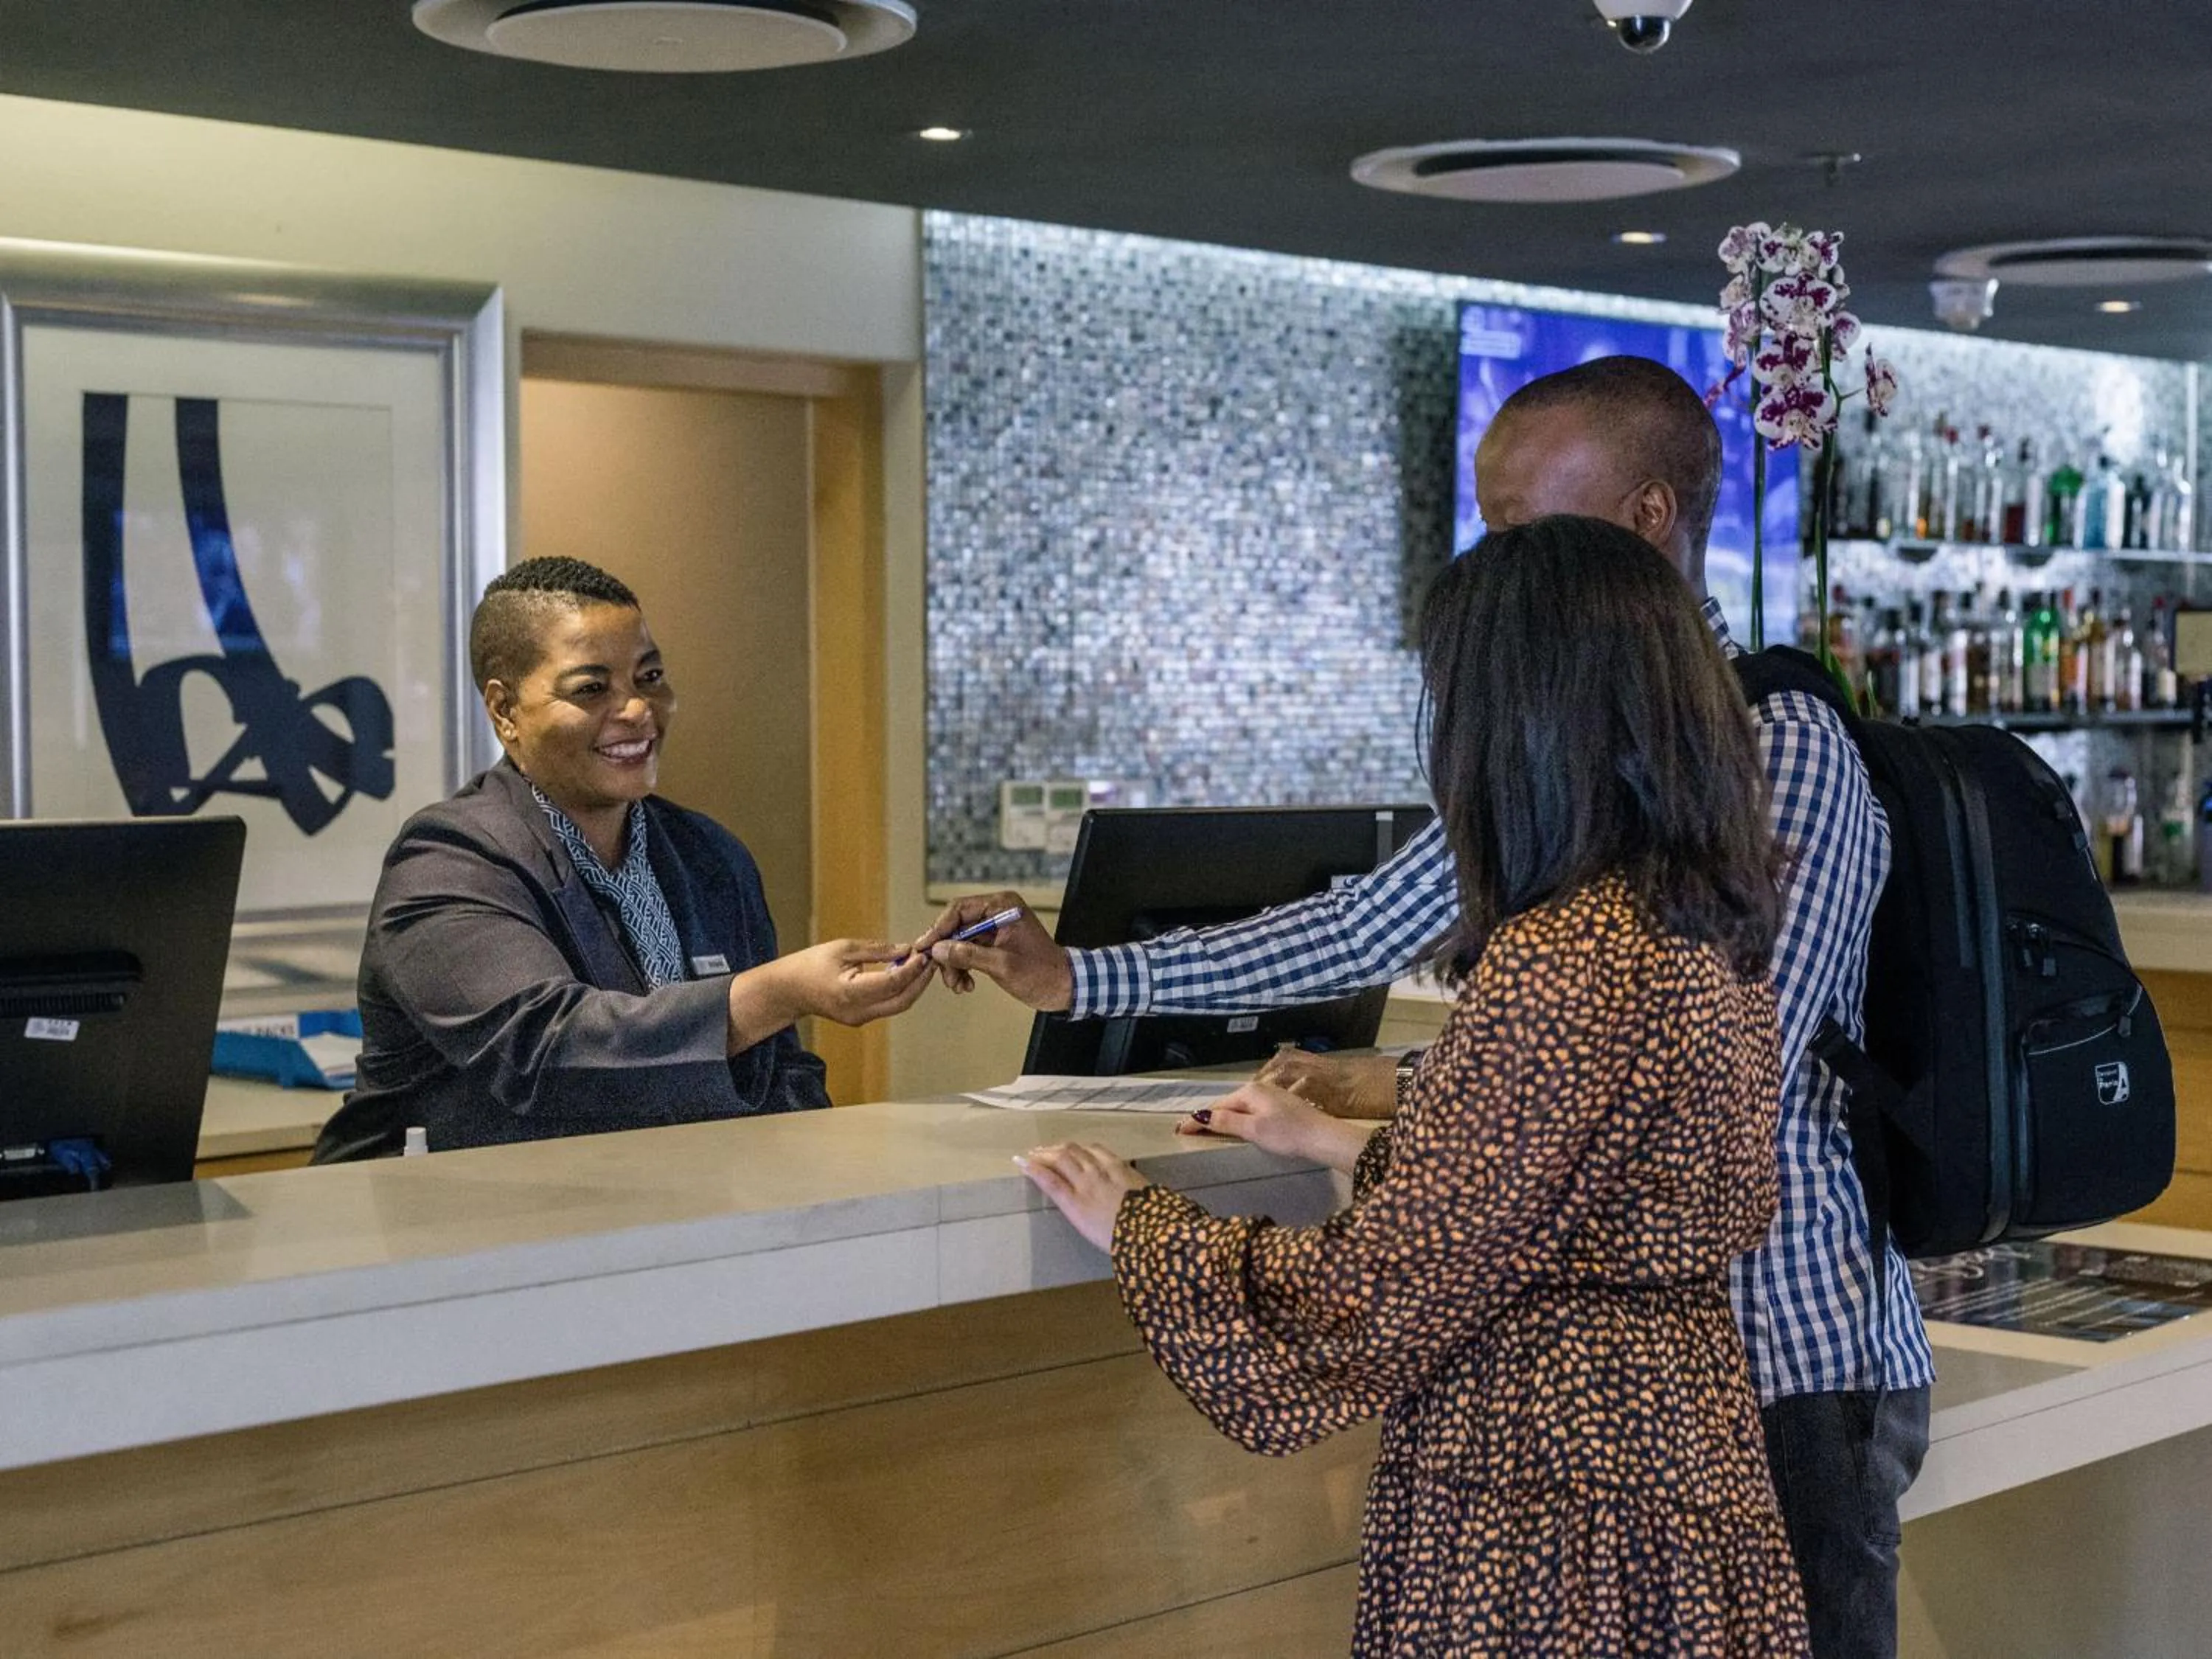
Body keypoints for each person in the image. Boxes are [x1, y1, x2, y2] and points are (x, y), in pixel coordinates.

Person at [926, 356, 1933, 1659]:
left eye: (1521, 534)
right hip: (1681, 1418)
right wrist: (1089, 982)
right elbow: (1373, 937)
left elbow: (1503, 1197)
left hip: (1745, 1380)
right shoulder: (1658, 886)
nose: (1496, 563)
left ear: (1635, 537)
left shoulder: (1703, 826)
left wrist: (1150, 1229)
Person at [1020, 517, 1810, 1652]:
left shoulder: (1561, 953)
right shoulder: (1700, 929)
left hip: (1547, 1486)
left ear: (1517, 725)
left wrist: (1143, 1229)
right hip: (1686, 1448)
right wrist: (1352, 1148)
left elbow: (1379, 1293)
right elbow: (1573, 1199)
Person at [313, 557, 930, 1161]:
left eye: (650, 677)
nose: (637, 710)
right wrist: (781, 991)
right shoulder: (448, 860)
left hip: (668, 1220)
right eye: (592, 688)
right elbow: (547, 1052)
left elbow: (783, 1072)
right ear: (505, 711)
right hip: (458, 1234)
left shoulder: (708, 855)